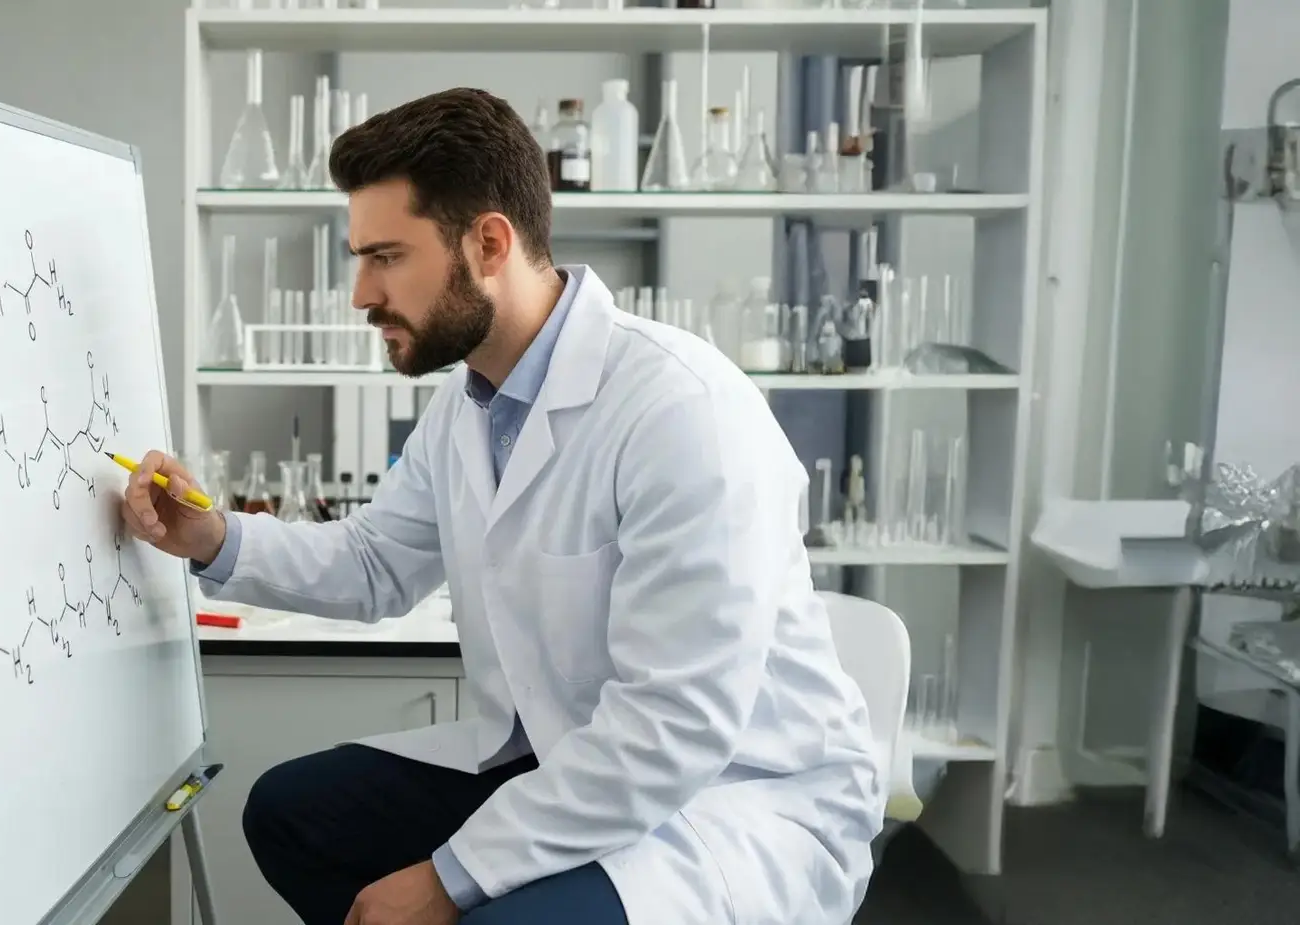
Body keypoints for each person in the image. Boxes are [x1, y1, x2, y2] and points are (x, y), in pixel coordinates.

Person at [120, 87, 884, 925]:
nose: (361, 294)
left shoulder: (682, 410)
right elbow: (374, 562)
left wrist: (449, 877)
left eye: (386, 256)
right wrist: (212, 535)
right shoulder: (469, 403)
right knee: (289, 815)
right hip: (570, 761)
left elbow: (676, 724)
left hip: (730, 798)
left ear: (488, 243)